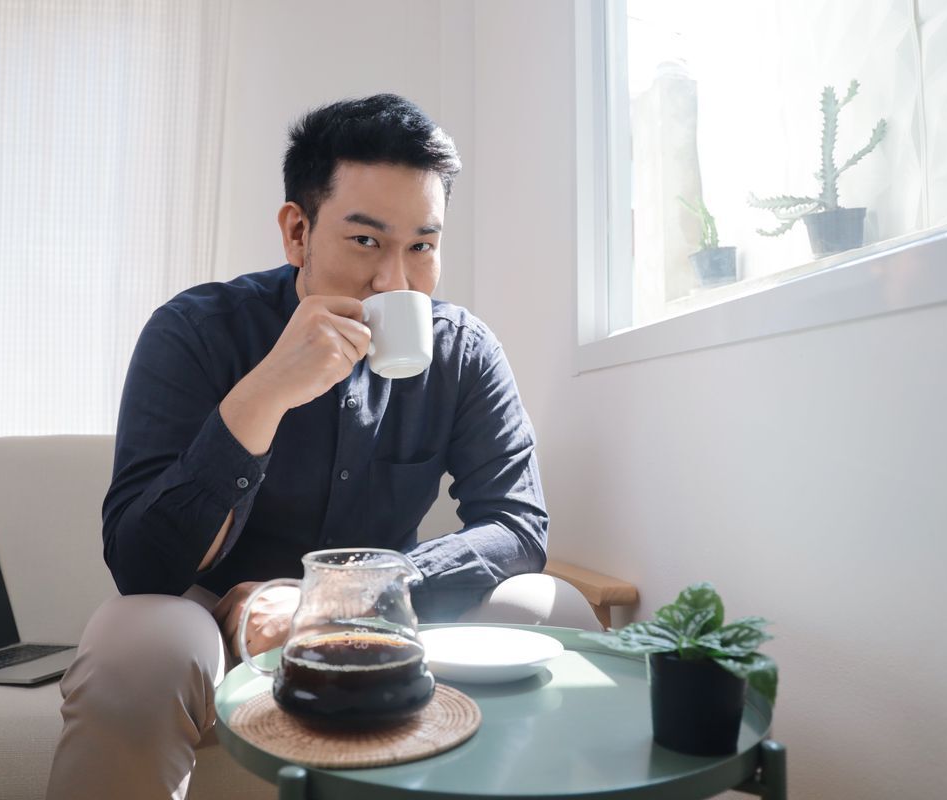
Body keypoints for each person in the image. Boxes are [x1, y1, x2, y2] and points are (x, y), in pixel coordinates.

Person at [44, 94, 595, 800]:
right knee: (137, 640)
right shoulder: (194, 331)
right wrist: (264, 393)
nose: (395, 281)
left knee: (552, 604)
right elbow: (141, 565)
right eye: (366, 241)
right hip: (214, 618)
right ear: (297, 232)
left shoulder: (464, 352)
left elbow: (517, 527)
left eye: (422, 246)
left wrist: (333, 601)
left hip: (388, 620)